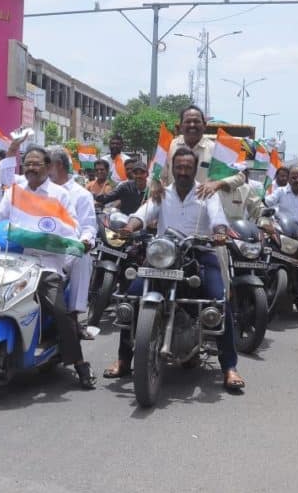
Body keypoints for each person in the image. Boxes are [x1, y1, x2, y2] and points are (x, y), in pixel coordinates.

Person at [103, 147, 245, 391]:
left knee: (219, 301)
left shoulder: (206, 193)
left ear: (194, 168)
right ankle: (124, 359)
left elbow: (217, 218)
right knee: (132, 297)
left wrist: (220, 233)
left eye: (187, 167)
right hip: (163, 254)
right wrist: (130, 226)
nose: (182, 172)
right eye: (178, 167)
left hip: (198, 253)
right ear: (172, 167)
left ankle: (229, 367)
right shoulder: (160, 193)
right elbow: (142, 214)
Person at [0, 146, 96, 389]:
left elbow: (73, 227)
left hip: (45, 263)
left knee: (59, 309)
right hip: (11, 259)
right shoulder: (14, 191)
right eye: (28, 164)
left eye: (37, 164)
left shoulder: (59, 195)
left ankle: (78, 362)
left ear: (48, 167)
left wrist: (56, 236)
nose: (32, 168)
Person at [46, 147, 97, 340]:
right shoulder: (40, 188)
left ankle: (74, 317)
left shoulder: (81, 194)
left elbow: (89, 227)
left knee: (82, 257)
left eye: (46, 164)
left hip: (65, 251)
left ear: (57, 166)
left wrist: (85, 241)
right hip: (36, 248)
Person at [156, 105, 245, 200]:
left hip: (204, 209)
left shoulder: (216, 150)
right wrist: (155, 184)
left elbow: (240, 177)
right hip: (174, 207)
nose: (192, 125)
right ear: (181, 126)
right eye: (188, 121)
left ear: (204, 125)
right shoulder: (168, 147)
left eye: (196, 121)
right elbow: (156, 176)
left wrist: (217, 184)